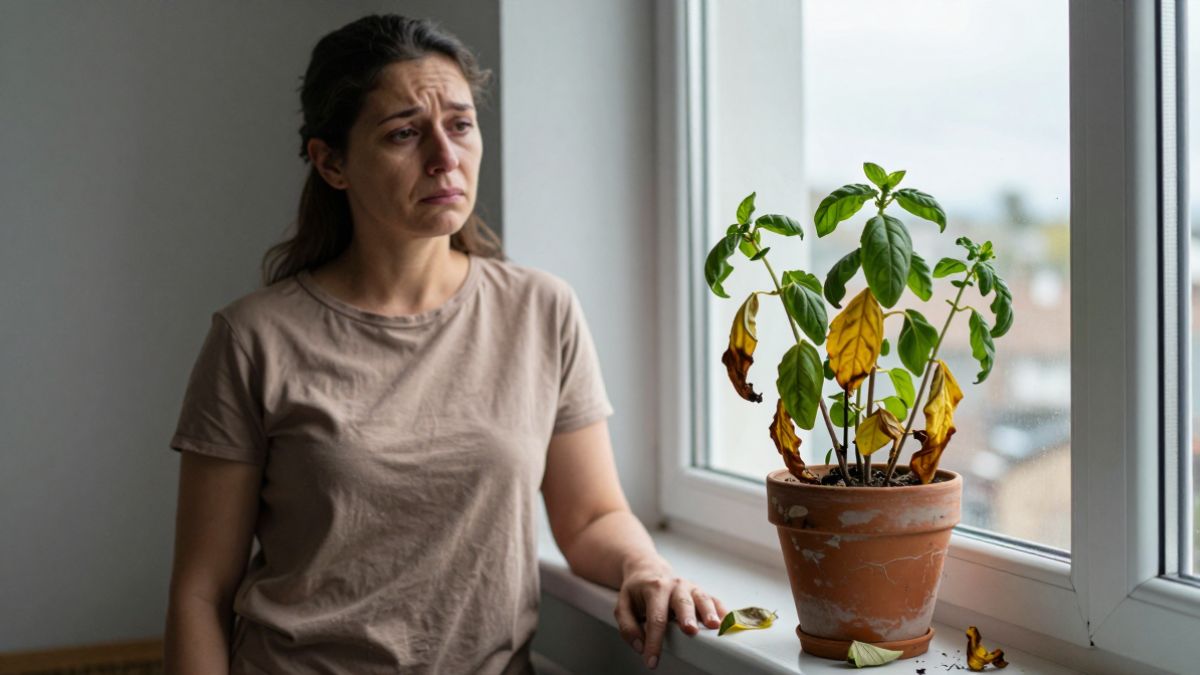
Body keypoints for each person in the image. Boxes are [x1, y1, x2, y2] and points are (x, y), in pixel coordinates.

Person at [163, 14, 727, 674]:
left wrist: (644, 565)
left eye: (459, 124)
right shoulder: (253, 339)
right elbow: (201, 592)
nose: (444, 155)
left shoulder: (541, 312)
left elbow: (591, 516)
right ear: (332, 162)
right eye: (404, 133)